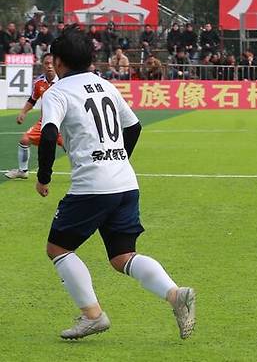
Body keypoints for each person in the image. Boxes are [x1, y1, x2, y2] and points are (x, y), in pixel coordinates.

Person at [36, 25, 196, 340]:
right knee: (122, 256)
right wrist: (119, 159)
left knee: (58, 248)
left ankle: (92, 315)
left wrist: (43, 177)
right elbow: (134, 127)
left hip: (92, 186)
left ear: (57, 61)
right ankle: (175, 294)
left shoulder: (58, 91)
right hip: (124, 183)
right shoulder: (105, 85)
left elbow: (48, 134)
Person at [4, 54, 63, 180]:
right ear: (43, 65)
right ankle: (23, 171)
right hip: (45, 122)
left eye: (52, 63)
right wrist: (23, 112)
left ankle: (86, 172)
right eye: (46, 63)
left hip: (63, 123)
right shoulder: (39, 83)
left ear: (57, 64)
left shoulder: (63, 81)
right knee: (24, 140)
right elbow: (32, 100)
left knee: (72, 147)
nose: (49, 66)